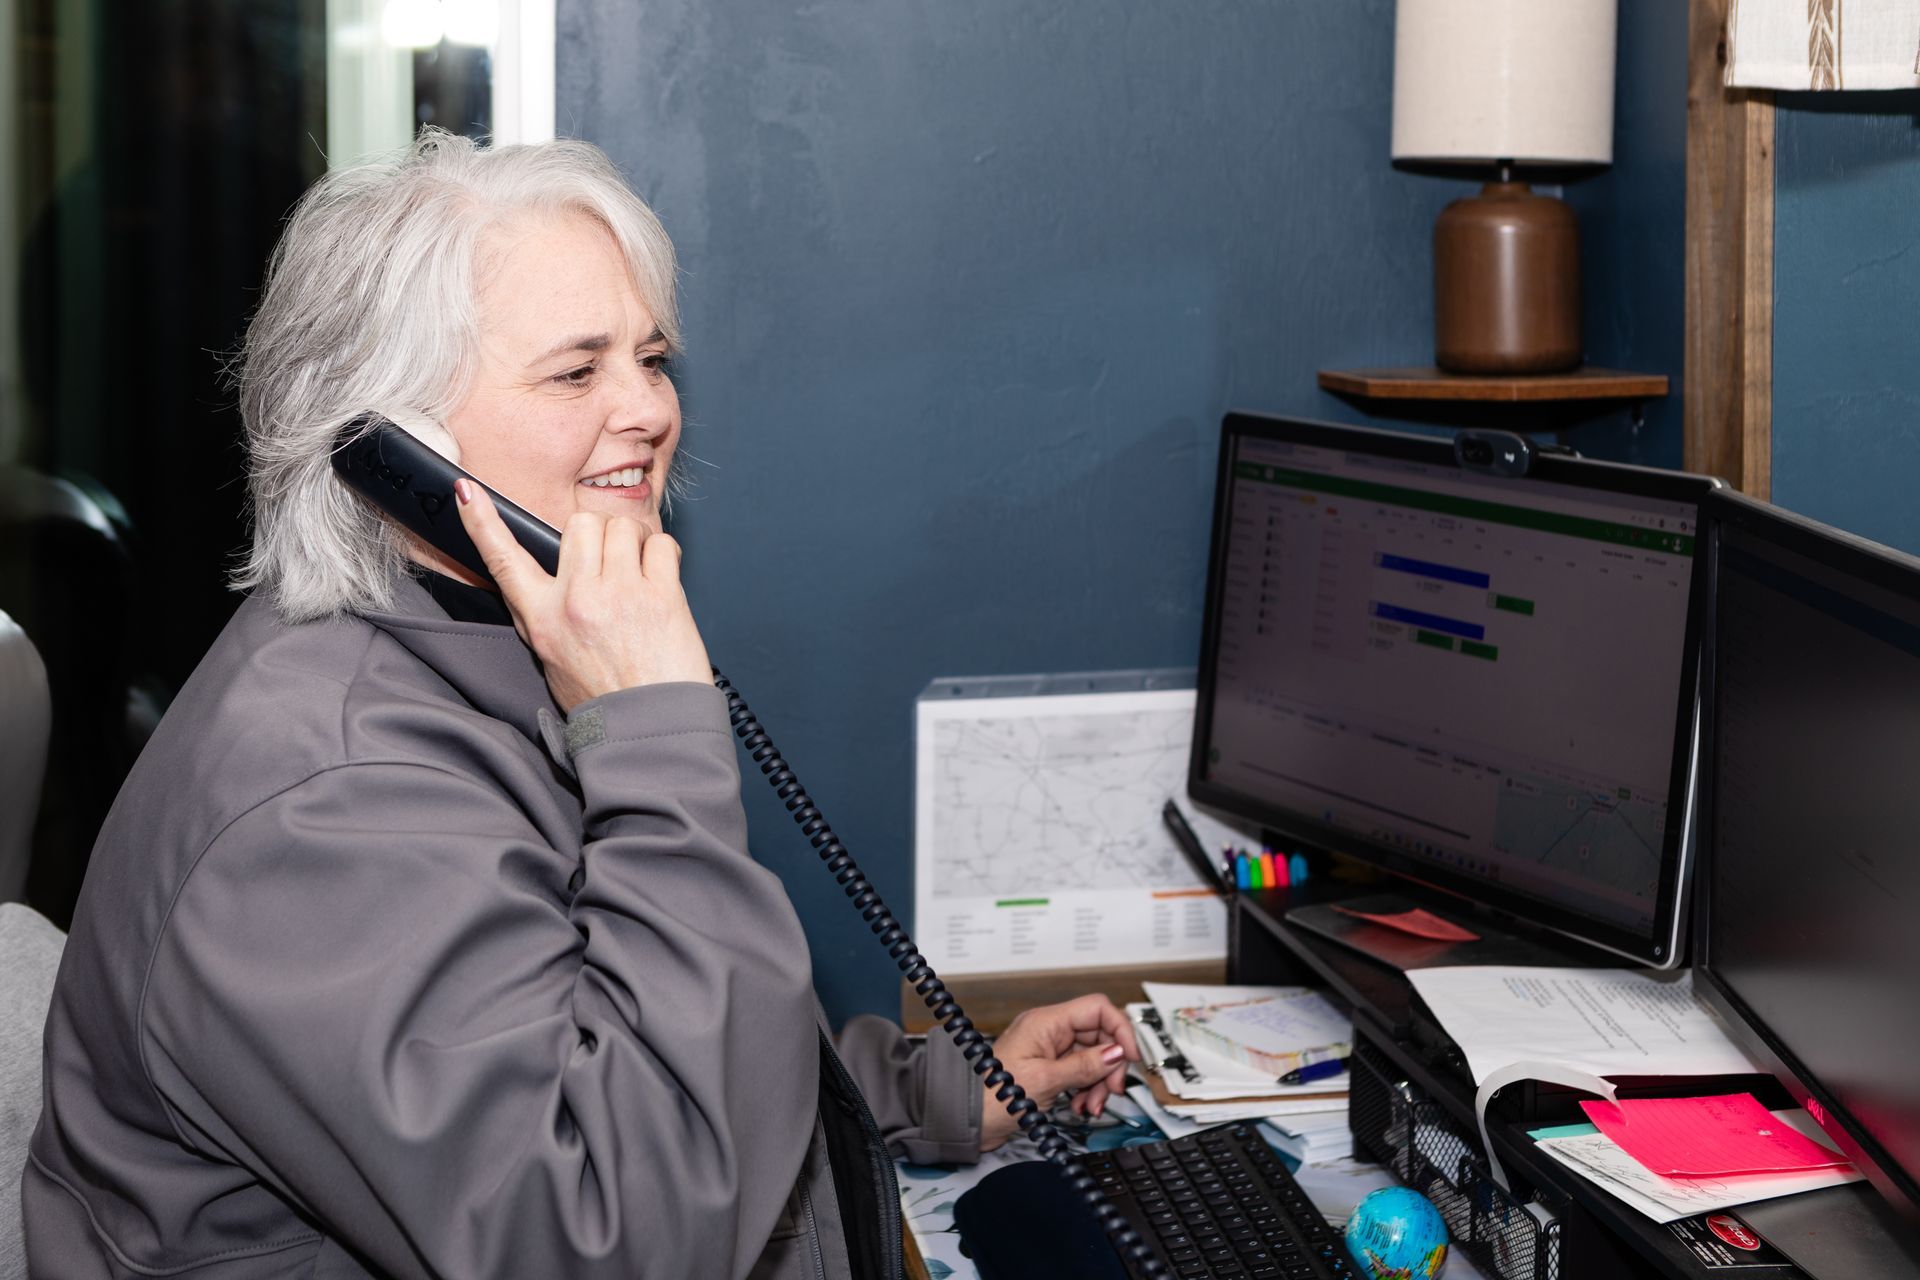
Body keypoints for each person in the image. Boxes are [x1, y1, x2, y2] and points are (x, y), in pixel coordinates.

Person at [25, 130, 1138, 1278]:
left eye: (650, 359)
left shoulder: (501, 648)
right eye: (577, 370)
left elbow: (612, 1025)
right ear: (385, 444)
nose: (650, 408)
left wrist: (945, 1086)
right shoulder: (329, 807)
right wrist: (658, 733)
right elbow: (614, 1233)